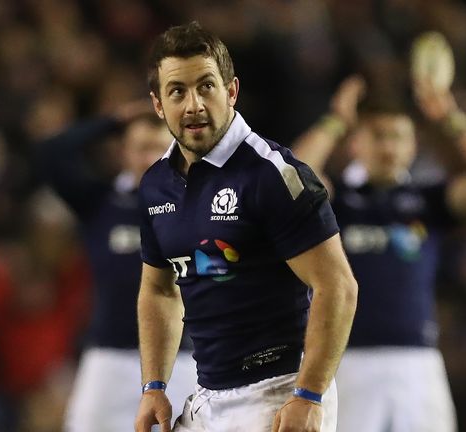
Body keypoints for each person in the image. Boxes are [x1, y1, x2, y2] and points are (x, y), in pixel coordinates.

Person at [134, 22, 358, 432]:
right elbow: (159, 290)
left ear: (231, 91)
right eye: (177, 92)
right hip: (207, 397)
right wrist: (153, 385)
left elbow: (338, 286)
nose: (193, 105)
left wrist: (309, 396)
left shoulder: (272, 174)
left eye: (206, 86)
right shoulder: (154, 186)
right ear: (158, 104)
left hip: (278, 394)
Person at [292, 67, 466, 431]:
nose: (389, 147)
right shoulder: (338, 203)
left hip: (418, 361)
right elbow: (289, 176)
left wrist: (448, 115)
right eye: (378, 135)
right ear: (356, 142)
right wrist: (336, 119)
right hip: (345, 361)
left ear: (413, 145)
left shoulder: (426, 202)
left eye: (399, 136)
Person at [35, 103, 197, 431]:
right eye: (141, 148)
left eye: (159, 147)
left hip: (180, 357)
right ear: (123, 152)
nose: (150, 157)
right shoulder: (101, 203)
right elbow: (50, 154)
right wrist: (113, 120)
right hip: (110, 356)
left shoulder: (197, 203)